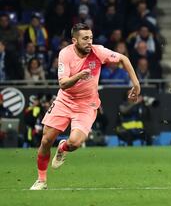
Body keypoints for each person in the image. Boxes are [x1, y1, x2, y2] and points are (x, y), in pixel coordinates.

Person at [30, 23, 141, 190]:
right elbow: (63, 84)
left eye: (91, 38)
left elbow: (123, 59)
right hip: (65, 101)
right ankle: (41, 180)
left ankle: (63, 147)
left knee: (74, 143)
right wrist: (79, 75)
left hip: (87, 105)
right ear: (75, 40)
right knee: (46, 140)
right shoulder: (65, 54)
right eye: (85, 39)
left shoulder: (98, 51)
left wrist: (136, 84)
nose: (89, 42)